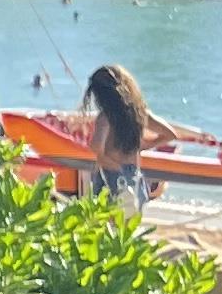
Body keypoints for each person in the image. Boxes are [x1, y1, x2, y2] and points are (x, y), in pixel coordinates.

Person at [72, 59, 181, 208]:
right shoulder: (139, 113)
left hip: (111, 175)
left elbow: (97, 145)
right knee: (129, 222)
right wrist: (145, 145)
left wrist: (103, 157)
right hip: (134, 176)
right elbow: (170, 134)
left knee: (106, 223)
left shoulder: (106, 117)